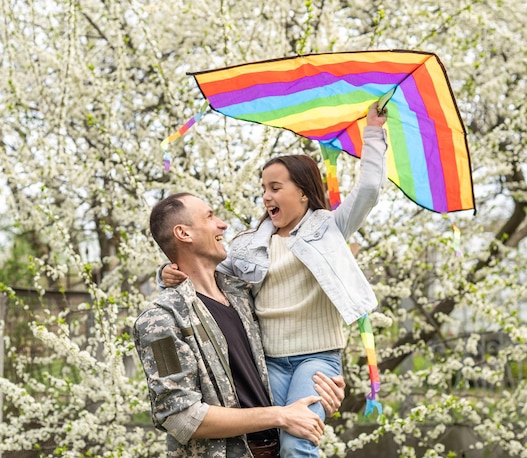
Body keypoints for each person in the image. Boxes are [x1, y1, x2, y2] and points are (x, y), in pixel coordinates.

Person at [163, 103, 388, 457]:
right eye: (263, 188)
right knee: (267, 443)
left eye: (276, 187)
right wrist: (167, 274)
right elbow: (204, 272)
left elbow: (370, 189)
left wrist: (374, 131)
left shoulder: (330, 228)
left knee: (298, 442)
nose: (266, 196)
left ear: (302, 192)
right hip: (267, 361)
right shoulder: (248, 245)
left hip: (315, 359)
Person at [134, 193, 346, 458]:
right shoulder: (159, 321)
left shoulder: (245, 296)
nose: (223, 224)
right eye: (210, 216)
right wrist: (280, 416)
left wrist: (319, 398)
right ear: (183, 233)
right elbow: (180, 416)